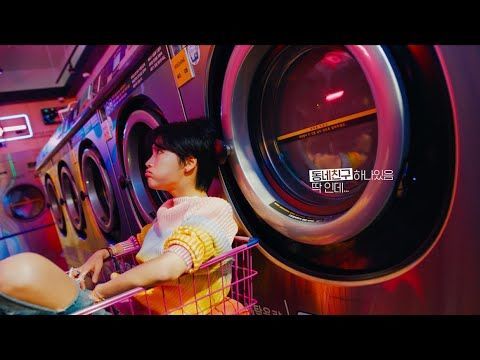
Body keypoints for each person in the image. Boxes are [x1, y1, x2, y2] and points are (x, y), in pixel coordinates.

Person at [0, 119, 239, 315]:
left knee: (26, 271)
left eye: (159, 152)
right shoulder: (168, 209)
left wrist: (101, 293)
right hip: (138, 309)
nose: (147, 161)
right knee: (23, 280)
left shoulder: (213, 210)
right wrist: (104, 253)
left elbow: (168, 268)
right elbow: (141, 241)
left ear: (189, 164)